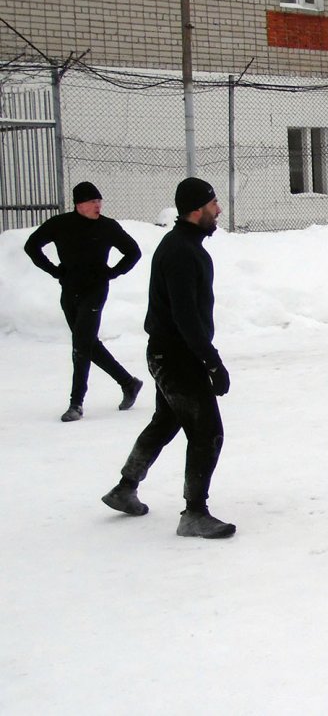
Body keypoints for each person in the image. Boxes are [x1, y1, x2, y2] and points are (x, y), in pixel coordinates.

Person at [101, 177, 236, 538]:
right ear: (196, 210)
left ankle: (125, 488)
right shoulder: (180, 252)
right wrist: (212, 363)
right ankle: (194, 513)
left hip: (170, 353)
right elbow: (185, 317)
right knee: (208, 433)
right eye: (212, 204)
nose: (218, 210)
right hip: (177, 357)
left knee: (166, 422)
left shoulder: (184, 246)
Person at [24, 181, 144, 422]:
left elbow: (133, 252)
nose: (98, 205)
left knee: (81, 345)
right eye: (92, 202)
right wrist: (55, 271)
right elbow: (32, 246)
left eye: (99, 201)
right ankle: (128, 382)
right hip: (69, 292)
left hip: (95, 290)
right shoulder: (60, 225)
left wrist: (112, 273)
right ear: (79, 204)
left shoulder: (107, 227)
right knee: (88, 344)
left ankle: (76, 403)